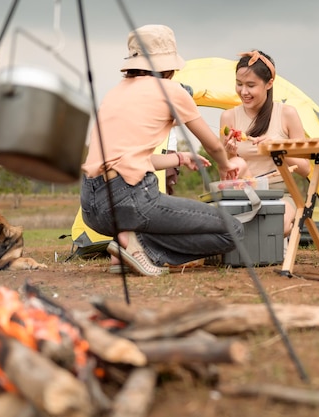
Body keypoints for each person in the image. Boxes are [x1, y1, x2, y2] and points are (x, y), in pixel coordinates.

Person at [80, 24, 243, 277]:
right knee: (233, 230)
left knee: (171, 221)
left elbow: (127, 161)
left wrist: (179, 158)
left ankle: (127, 249)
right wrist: (225, 164)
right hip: (130, 201)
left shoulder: (114, 93)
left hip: (92, 207)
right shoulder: (171, 90)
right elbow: (212, 144)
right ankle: (139, 246)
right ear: (168, 65)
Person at [219, 50, 310, 236]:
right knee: (237, 163)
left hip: (280, 194)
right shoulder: (229, 117)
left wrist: (276, 150)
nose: (243, 92)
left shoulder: (287, 114)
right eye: (239, 84)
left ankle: (285, 232)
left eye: (251, 85)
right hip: (243, 192)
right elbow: (228, 171)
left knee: (278, 226)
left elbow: (305, 169)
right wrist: (229, 153)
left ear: (269, 84)